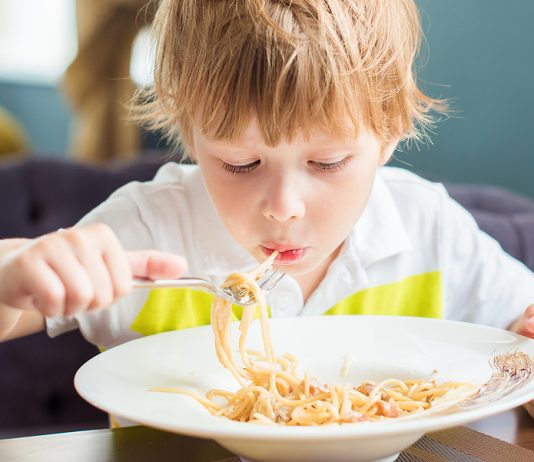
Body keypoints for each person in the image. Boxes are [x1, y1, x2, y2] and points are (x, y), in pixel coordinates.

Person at [1, 0, 534, 414]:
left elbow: (520, 340)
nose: (284, 207)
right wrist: (15, 275)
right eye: (239, 164)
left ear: (391, 132)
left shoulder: (430, 229)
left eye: (327, 163)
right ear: (189, 134)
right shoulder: (148, 229)